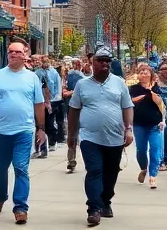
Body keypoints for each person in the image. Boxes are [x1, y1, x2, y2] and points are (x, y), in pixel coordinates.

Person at [0, 39, 47, 225]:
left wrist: (41, 128)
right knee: (1, 169)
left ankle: (20, 208)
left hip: (24, 131)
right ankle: (0, 197)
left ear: (25, 54)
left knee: (21, 168)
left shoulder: (32, 78)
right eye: (10, 51)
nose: (13, 54)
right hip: (1, 132)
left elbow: (39, 104)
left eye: (17, 52)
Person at [69, 46, 134, 226]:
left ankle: (106, 201)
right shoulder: (82, 85)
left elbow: (127, 107)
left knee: (111, 173)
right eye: (101, 60)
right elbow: (74, 110)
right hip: (89, 137)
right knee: (94, 170)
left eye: (108, 61)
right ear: (92, 63)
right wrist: (72, 135)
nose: (105, 63)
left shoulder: (119, 83)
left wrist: (128, 129)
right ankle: (94, 209)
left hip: (115, 138)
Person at [128, 63, 166, 189]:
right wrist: (143, 95)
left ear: (151, 75)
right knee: (141, 150)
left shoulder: (156, 88)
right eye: (141, 72)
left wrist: (150, 91)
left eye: (146, 72)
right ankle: (143, 168)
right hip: (139, 124)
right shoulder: (134, 88)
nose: (143, 74)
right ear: (138, 76)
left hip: (155, 123)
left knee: (155, 149)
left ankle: (153, 176)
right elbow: (130, 101)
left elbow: (160, 102)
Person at [63, 58, 85, 173]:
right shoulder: (69, 76)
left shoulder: (86, 78)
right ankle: (71, 160)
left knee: (83, 137)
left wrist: (71, 92)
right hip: (72, 109)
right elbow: (63, 91)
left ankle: (90, 161)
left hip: (84, 110)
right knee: (72, 136)